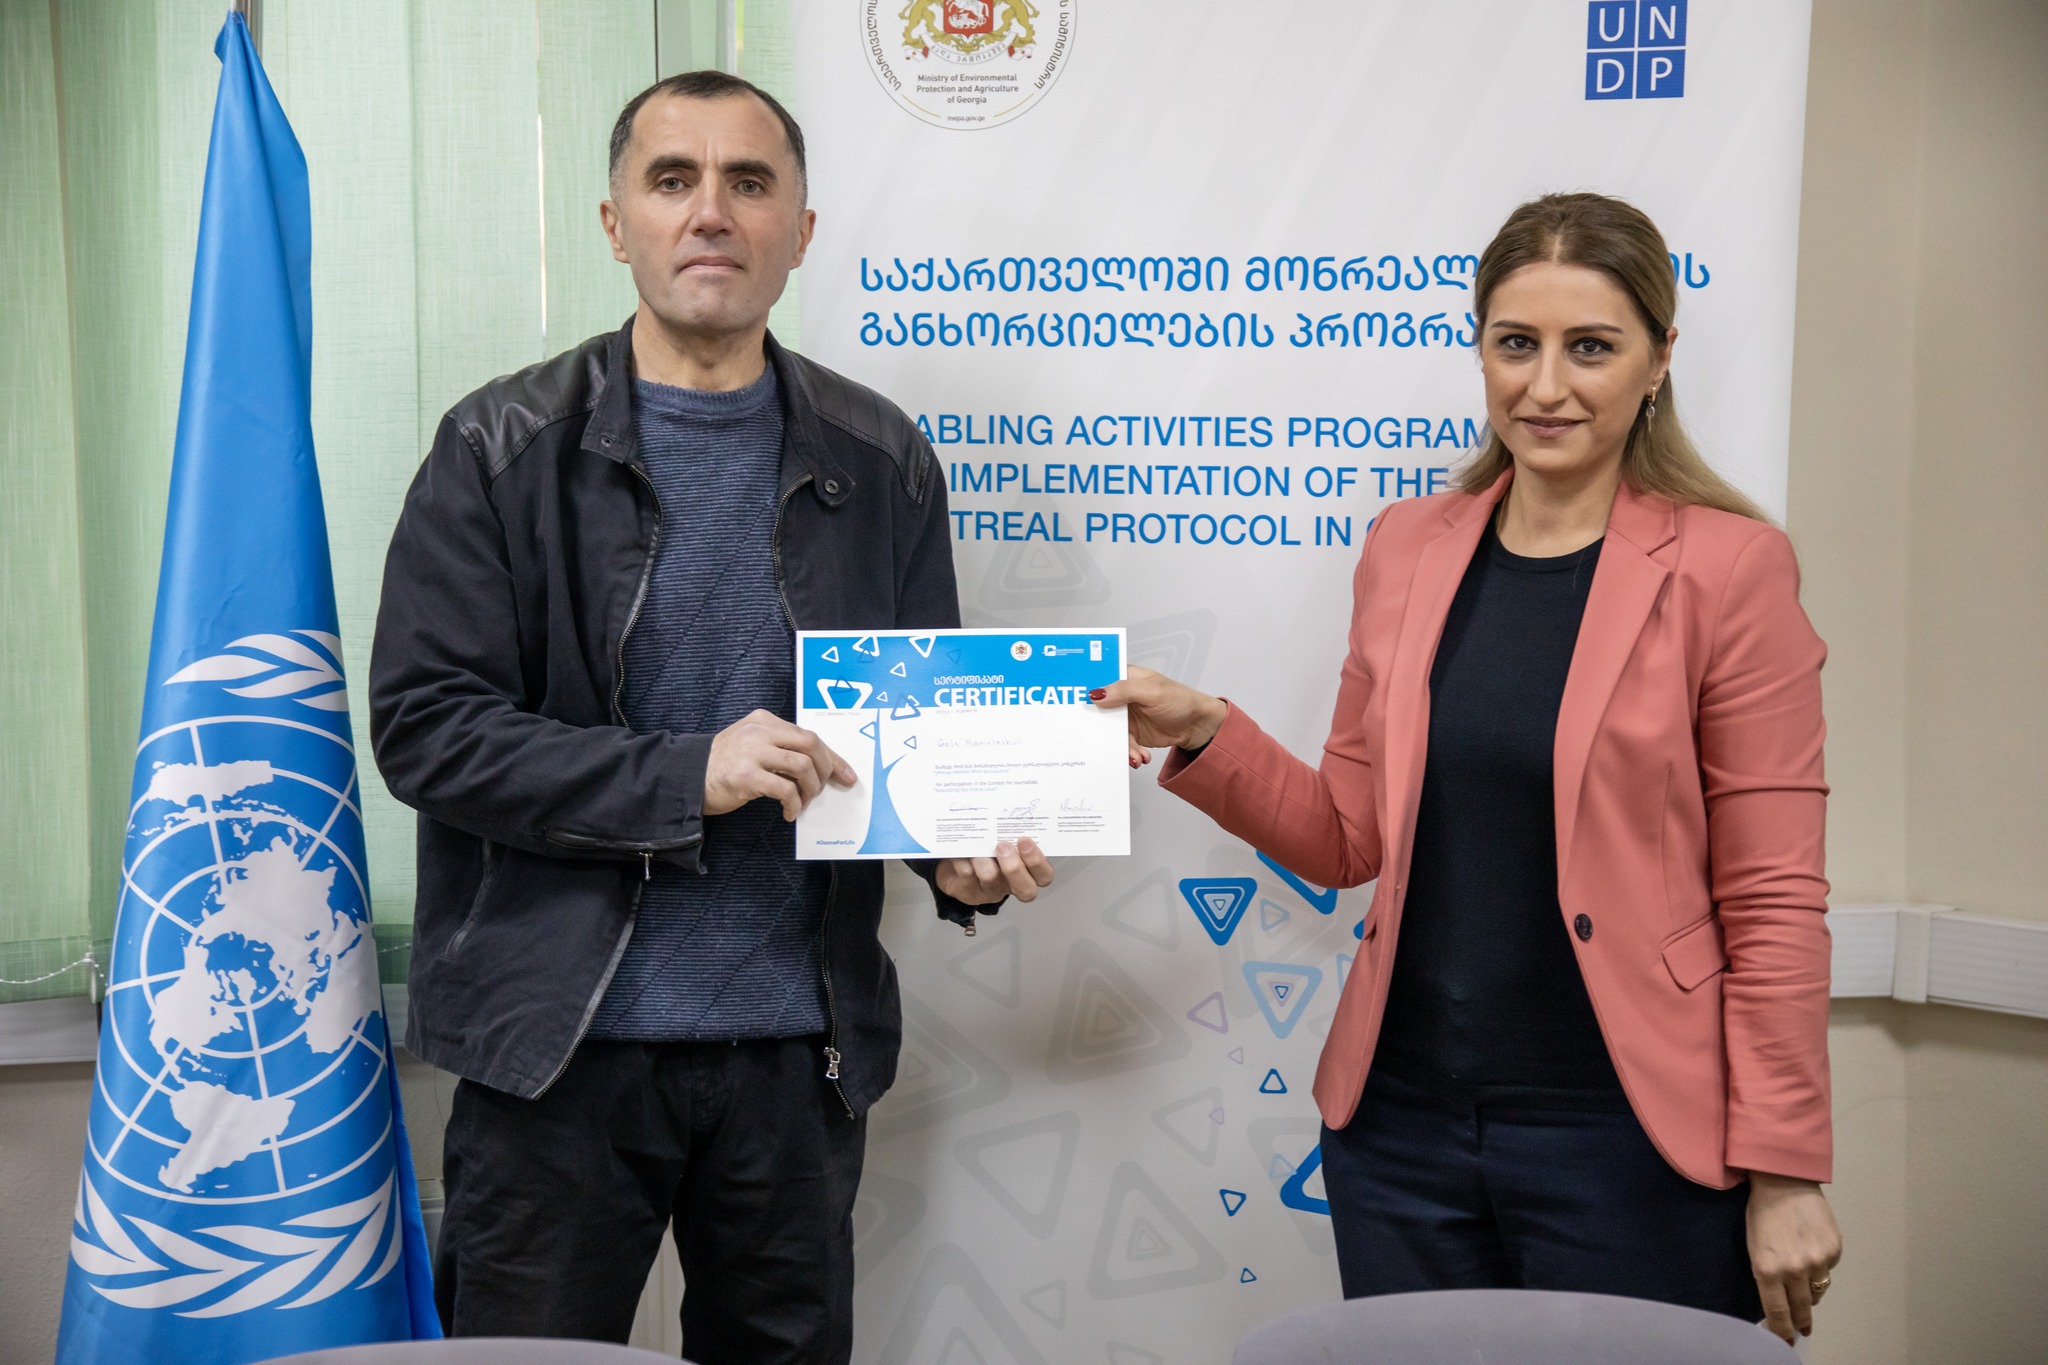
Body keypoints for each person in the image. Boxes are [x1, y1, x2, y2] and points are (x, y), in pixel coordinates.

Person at [368, 70, 1053, 1363]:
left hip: (796, 1056)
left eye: (748, 182)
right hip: (555, 1056)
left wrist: (953, 852)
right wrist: (686, 774)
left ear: (800, 229)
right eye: (671, 179)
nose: (710, 212)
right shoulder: (498, 448)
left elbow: (916, 732)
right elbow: (428, 729)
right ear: (615, 223)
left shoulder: (881, 459)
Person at [1097, 193, 1842, 1345]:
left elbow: (1772, 896)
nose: (1543, 386)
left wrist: (1785, 1167)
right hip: (1398, 1137)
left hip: (1631, 1143)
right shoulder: (1407, 546)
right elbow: (1345, 838)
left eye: (1588, 347)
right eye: (1514, 343)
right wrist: (1204, 731)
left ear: (1657, 359)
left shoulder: (1729, 570)